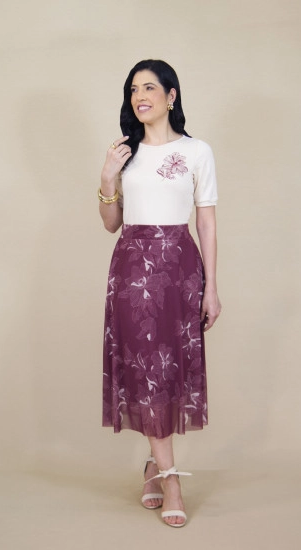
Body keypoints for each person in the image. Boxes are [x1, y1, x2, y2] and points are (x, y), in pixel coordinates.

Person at [98, 59, 221, 528]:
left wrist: (212, 286)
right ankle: (170, 479)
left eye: (149, 88)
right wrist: (107, 178)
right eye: (133, 90)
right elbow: (112, 224)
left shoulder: (196, 151)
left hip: (179, 269)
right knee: (144, 369)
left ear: (171, 96)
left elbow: (206, 221)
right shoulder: (124, 153)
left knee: (168, 370)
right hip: (132, 270)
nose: (139, 97)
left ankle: (153, 464)